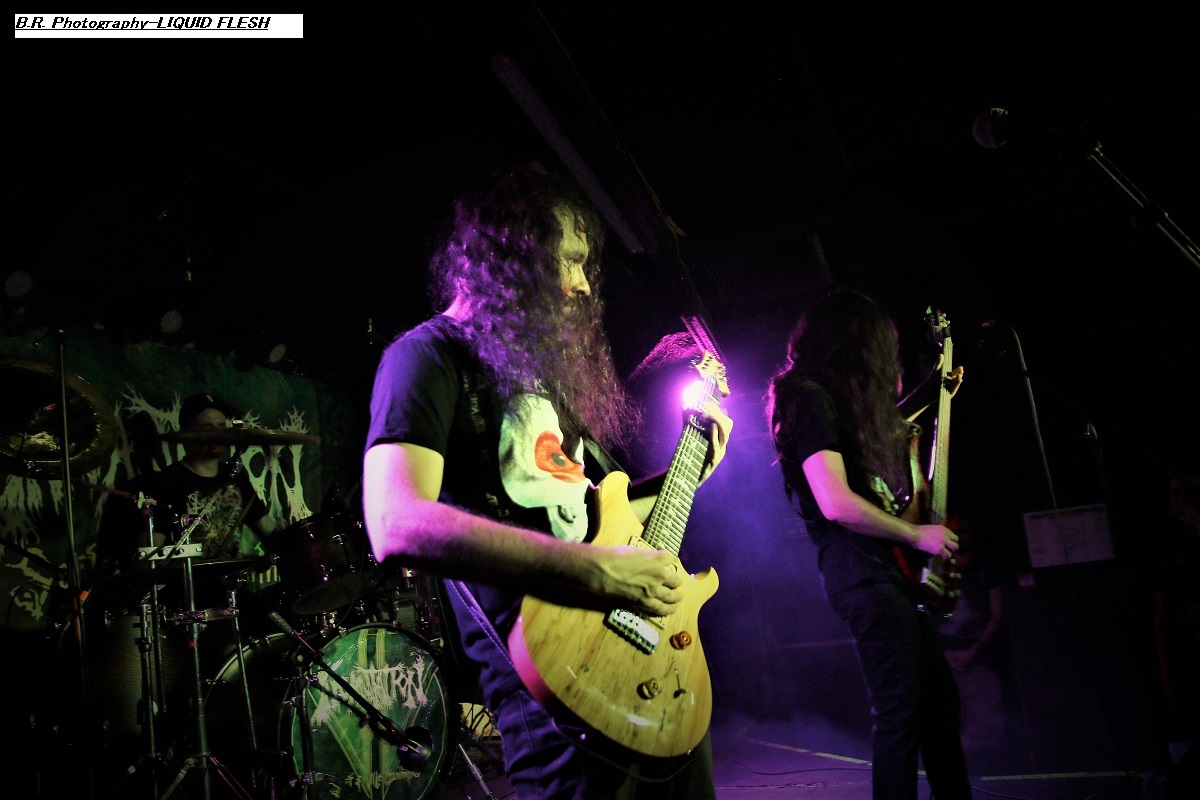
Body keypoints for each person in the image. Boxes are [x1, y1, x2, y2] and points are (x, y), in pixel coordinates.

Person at [362, 162, 733, 799]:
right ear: (512, 256)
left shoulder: (540, 378)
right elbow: (393, 522)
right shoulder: (427, 356)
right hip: (550, 677)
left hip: (645, 661)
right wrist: (597, 573)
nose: (584, 285)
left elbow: (599, 523)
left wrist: (687, 475)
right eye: (571, 261)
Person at [766, 287, 971, 800]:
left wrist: (932, 391)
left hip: (887, 574)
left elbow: (877, 428)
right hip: (865, 576)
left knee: (938, 707)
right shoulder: (808, 397)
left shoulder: (828, 399)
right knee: (900, 716)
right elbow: (835, 501)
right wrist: (916, 534)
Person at [96, 391, 280, 576]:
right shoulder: (163, 483)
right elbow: (149, 562)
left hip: (232, 586)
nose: (216, 434)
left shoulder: (234, 477)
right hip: (186, 588)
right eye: (205, 428)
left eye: (221, 427)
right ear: (185, 433)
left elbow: (271, 531)